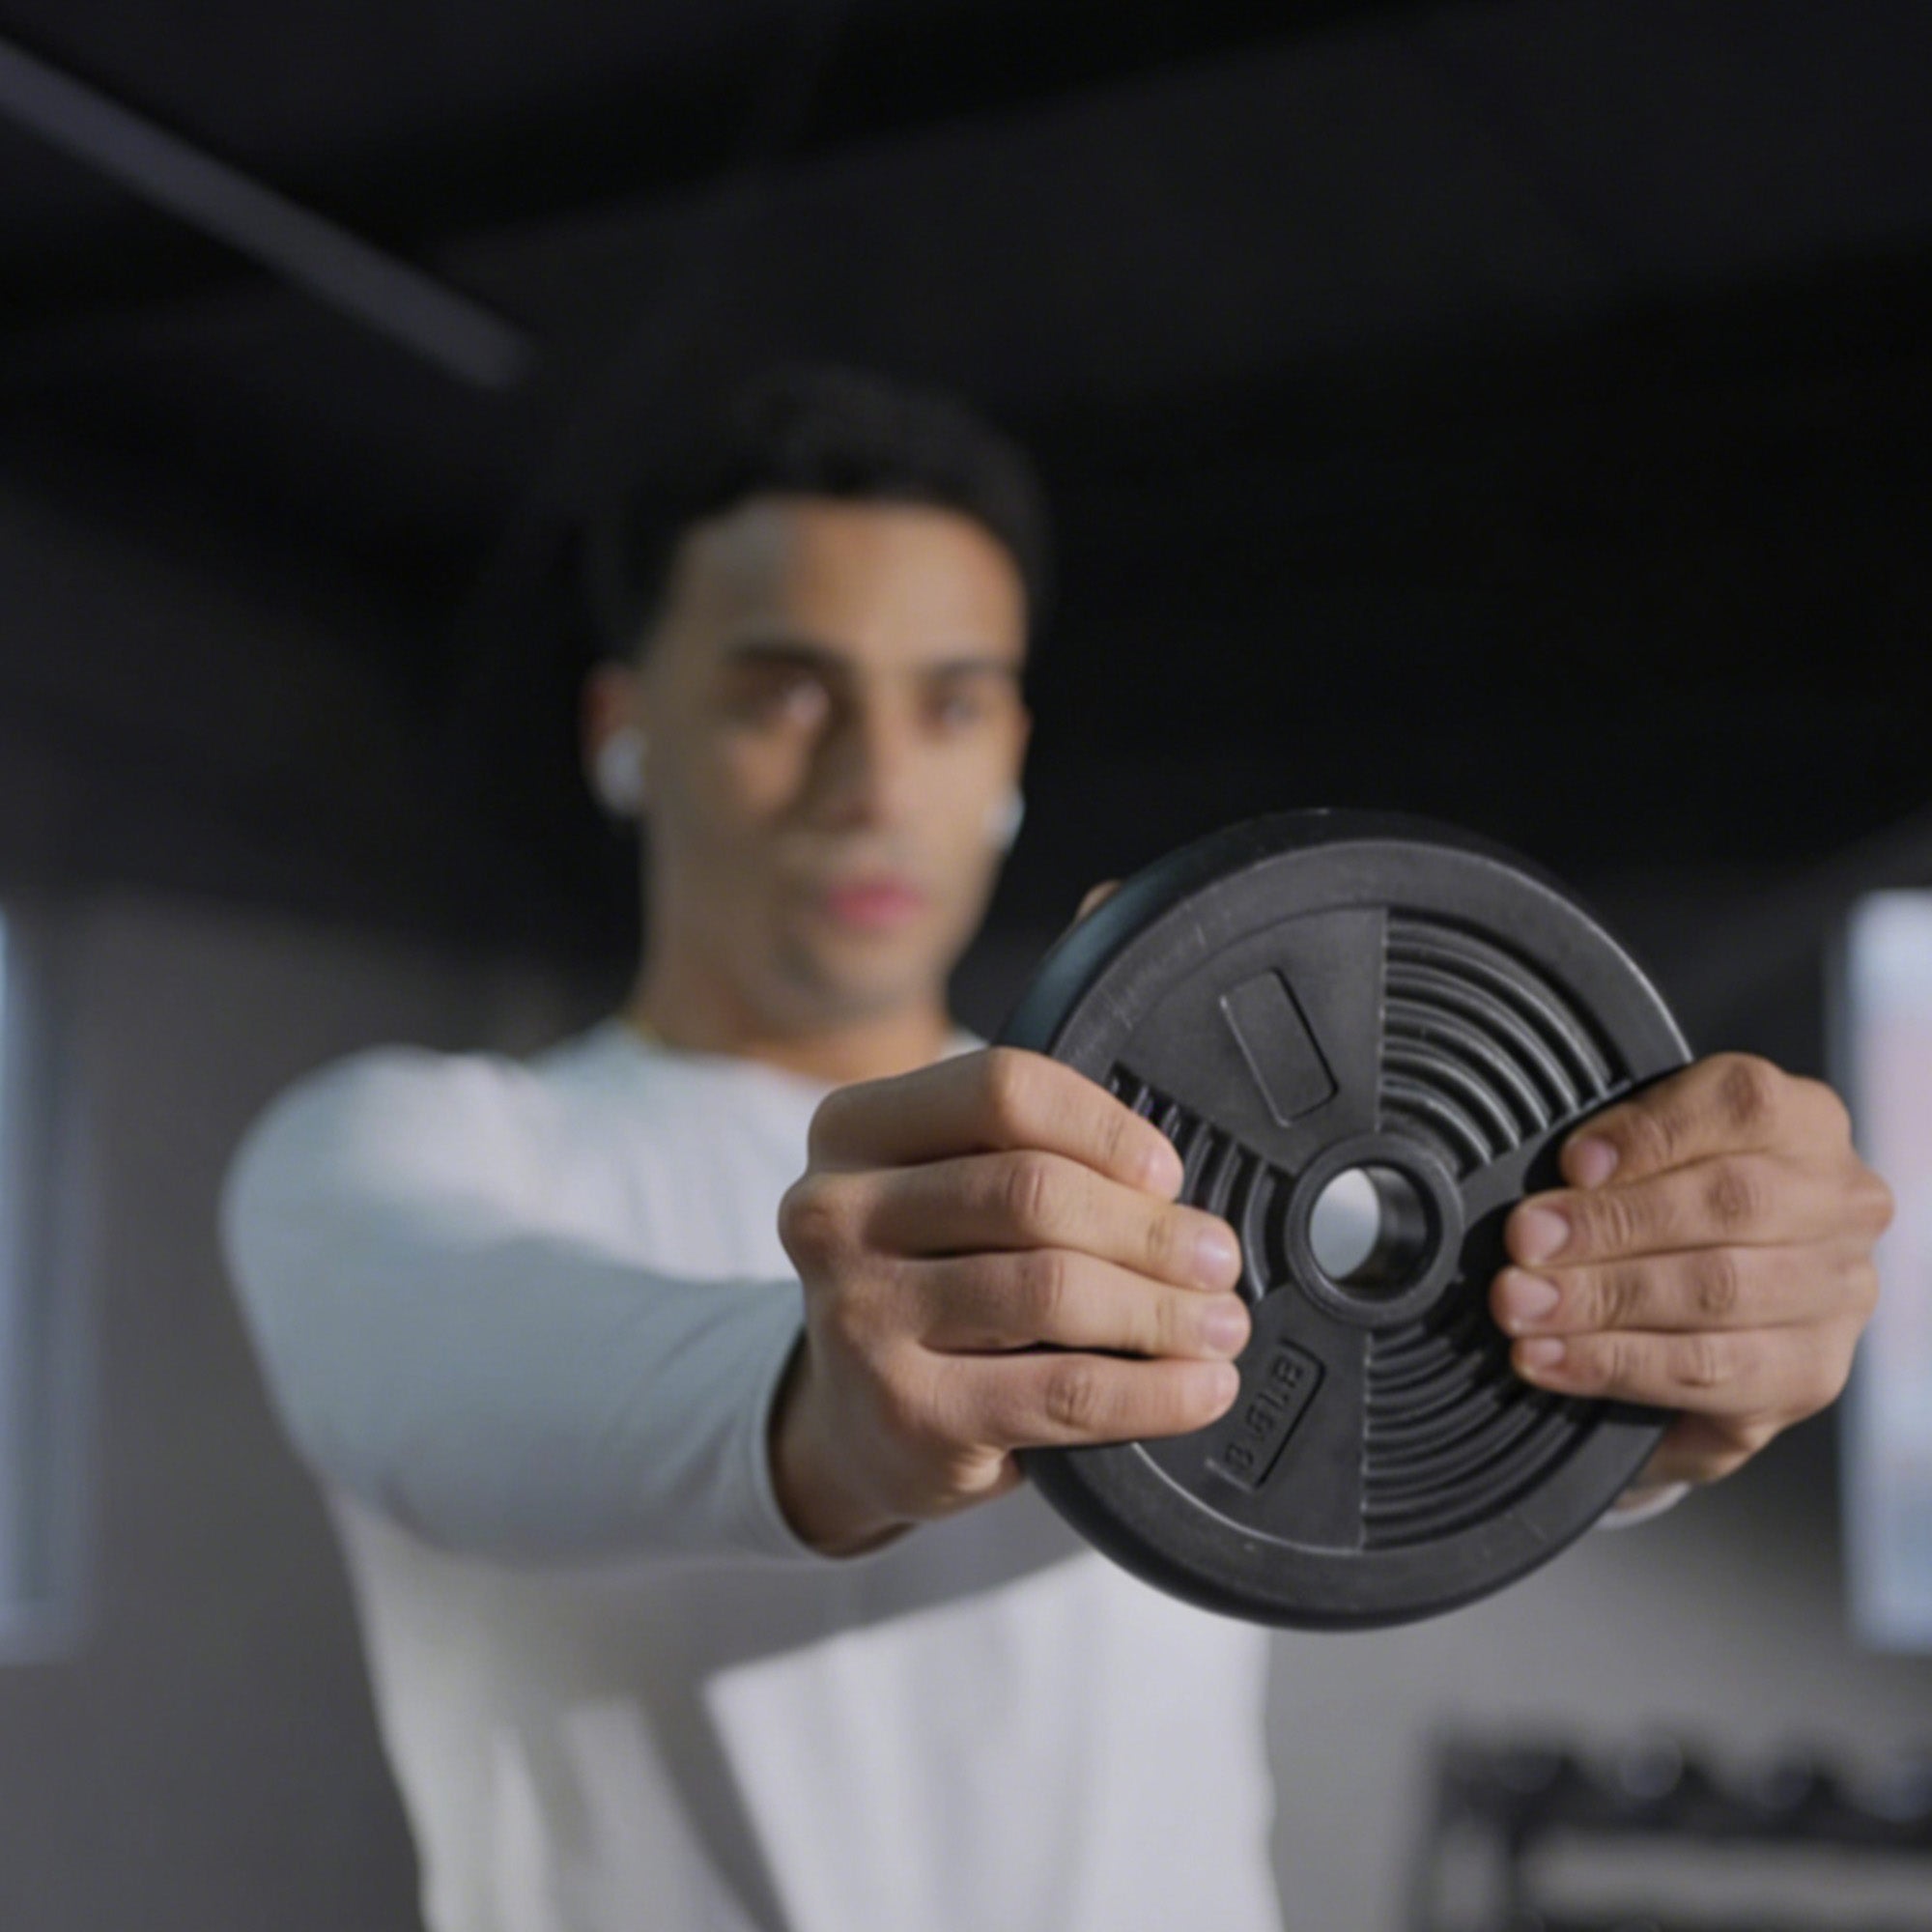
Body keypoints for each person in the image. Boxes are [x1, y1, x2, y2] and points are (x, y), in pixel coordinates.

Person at [220, 367, 1891, 1932]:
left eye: (950, 705)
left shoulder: (1156, 1159)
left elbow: (1375, 1415)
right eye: (785, 694)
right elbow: (454, 1391)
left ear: (1010, 754)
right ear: (621, 731)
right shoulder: (390, 1147)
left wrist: (1651, 1374)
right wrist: (835, 1410)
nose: (875, 782)